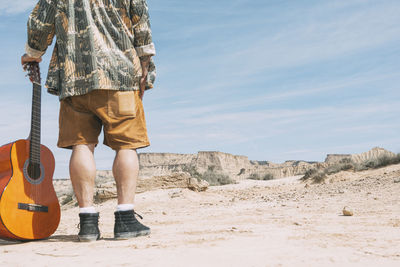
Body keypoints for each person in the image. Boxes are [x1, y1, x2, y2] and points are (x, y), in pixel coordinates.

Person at [21, 0, 156, 241]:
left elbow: (40, 22)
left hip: (74, 79)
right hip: (121, 75)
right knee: (126, 145)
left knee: (81, 145)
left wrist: (32, 54)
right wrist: (146, 66)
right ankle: (125, 218)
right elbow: (142, 26)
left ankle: (87, 222)